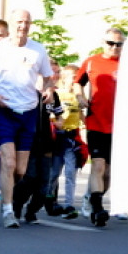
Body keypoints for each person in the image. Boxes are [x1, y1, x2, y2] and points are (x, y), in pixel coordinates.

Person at [0, 8, 55, 229]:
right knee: (8, 161)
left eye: (26, 22)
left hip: (29, 112)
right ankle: (7, 211)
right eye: (19, 22)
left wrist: (49, 90)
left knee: (21, 170)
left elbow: (48, 78)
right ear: (11, 24)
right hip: (5, 110)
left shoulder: (38, 49)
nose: (23, 26)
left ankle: (13, 200)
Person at [74, 27, 126, 226]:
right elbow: (78, 82)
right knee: (98, 165)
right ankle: (98, 208)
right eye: (110, 43)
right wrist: (80, 97)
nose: (114, 48)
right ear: (103, 43)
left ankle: (92, 197)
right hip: (96, 121)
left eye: (119, 44)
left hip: (119, 125)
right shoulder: (91, 62)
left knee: (109, 173)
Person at [51, 63, 84, 218]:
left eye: (77, 78)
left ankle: (69, 205)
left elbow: (81, 115)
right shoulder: (58, 94)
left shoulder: (78, 97)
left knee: (71, 173)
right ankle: (50, 199)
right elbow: (52, 114)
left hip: (72, 138)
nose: (75, 80)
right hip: (58, 137)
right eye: (73, 77)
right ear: (64, 78)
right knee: (54, 173)